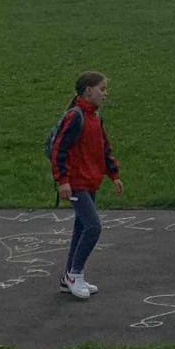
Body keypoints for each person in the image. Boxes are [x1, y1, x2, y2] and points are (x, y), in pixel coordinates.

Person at [48, 70, 124, 301]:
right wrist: (63, 181)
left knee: (81, 228)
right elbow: (59, 149)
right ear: (88, 91)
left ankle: (69, 277)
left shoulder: (95, 117)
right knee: (93, 227)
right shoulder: (75, 116)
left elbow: (104, 147)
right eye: (102, 89)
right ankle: (75, 274)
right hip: (76, 183)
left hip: (90, 181)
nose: (105, 93)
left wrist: (113, 174)